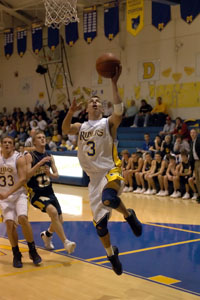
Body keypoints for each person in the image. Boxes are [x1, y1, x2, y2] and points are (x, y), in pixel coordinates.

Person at [62, 67, 142, 276]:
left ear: (102, 106)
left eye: (98, 100)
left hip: (110, 169)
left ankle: (128, 215)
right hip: (93, 179)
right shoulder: (80, 126)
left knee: (109, 198)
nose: (95, 102)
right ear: (87, 108)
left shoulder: (108, 123)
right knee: (100, 227)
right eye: (92, 101)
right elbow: (64, 130)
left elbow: (119, 110)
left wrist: (114, 83)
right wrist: (70, 112)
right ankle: (111, 255)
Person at [25, 130, 76, 254]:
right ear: (34, 142)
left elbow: (57, 175)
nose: (42, 139)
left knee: (59, 219)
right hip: (35, 193)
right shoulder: (30, 156)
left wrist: (50, 174)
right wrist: (40, 164)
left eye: (43, 137)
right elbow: (27, 175)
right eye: (39, 137)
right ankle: (66, 242)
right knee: (53, 212)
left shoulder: (50, 156)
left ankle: (47, 235)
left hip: (49, 191)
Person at [0, 136, 42, 268]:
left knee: (23, 218)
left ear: (13, 145)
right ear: (1, 145)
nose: (7, 144)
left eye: (10, 142)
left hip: (19, 194)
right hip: (4, 198)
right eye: (5, 142)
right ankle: (16, 254)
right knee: (9, 224)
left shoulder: (19, 158)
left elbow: (23, 179)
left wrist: (7, 193)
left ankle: (32, 250)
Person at [190, 129, 200, 203]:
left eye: (194, 133)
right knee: (197, 180)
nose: (192, 134)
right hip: (195, 162)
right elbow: (192, 155)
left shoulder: (199, 141)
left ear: (197, 133)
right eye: (191, 133)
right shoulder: (191, 142)